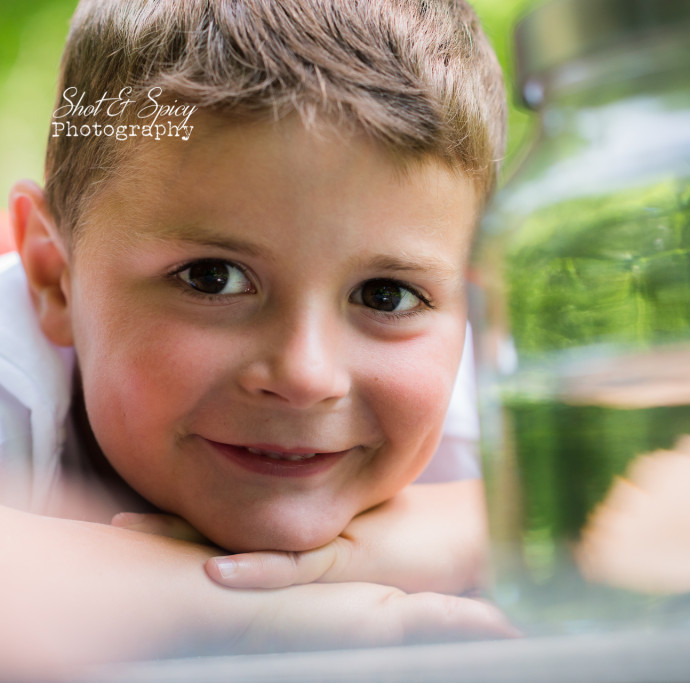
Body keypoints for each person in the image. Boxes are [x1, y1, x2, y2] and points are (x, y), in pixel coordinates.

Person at [0, 0, 514, 673]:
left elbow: (688, 489)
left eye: (384, 295)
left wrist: (466, 525)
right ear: (54, 278)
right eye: (213, 278)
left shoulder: (478, 393)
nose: (306, 373)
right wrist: (265, 608)